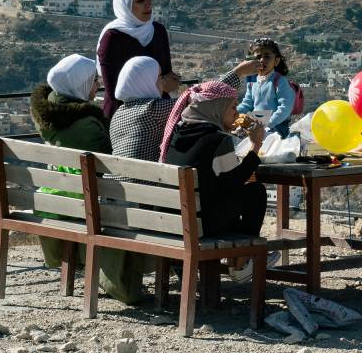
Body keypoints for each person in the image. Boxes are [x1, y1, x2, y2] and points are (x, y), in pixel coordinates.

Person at [30, 54, 149, 304]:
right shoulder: (85, 124)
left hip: (55, 197)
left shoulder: (50, 113)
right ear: (77, 84)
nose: (97, 85)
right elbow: (111, 164)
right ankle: (119, 281)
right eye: (93, 80)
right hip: (84, 203)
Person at [161, 81, 268, 238]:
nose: (237, 113)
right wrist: (255, 145)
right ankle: (245, 257)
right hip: (204, 226)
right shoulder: (218, 140)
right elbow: (233, 183)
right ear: (217, 106)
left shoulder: (176, 133)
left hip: (176, 222)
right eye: (232, 107)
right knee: (255, 192)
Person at [111, 56, 260, 162]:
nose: (162, 82)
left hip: (115, 189)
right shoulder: (152, 109)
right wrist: (237, 72)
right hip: (143, 190)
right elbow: (203, 97)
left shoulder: (118, 114)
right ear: (145, 82)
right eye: (158, 78)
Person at [96, 0, 180, 118]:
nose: (148, 4)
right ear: (126, 5)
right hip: (123, 115)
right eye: (140, 0)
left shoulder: (158, 30)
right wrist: (160, 86)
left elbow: (167, 73)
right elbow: (114, 91)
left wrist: (168, 82)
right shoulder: (112, 37)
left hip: (158, 113)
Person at [236, 38, 295, 138]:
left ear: (276, 61)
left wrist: (269, 124)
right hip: (256, 125)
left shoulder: (279, 81)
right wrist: (233, 113)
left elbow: (285, 107)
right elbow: (247, 104)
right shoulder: (252, 80)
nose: (262, 60)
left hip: (276, 129)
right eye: (258, 57)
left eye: (267, 56)